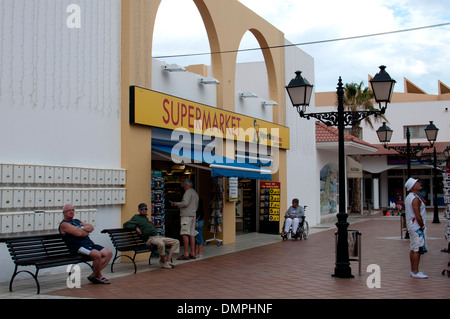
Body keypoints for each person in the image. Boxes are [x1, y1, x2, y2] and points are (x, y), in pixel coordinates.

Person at [59, 204, 113, 284]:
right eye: (68, 210)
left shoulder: (77, 221)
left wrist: (82, 229)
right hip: (78, 247)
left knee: (108, 253)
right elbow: (79, 234)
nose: (71, 212)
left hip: (89, 244)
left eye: (72, 210)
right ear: (64, 213)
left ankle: (93, 275)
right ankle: (99, 276)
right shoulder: (64, 224)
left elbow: (91, 227)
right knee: (97, 255)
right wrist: (84, 231)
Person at [123, 203, 180, 269]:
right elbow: (126, 224)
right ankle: (163, 262)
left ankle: (166, 261)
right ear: (139, 210)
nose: (144, 210)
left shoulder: (145, 218)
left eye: (145, 209)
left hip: (158, 237)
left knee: (176, 242)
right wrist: (136, 228)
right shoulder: (136, 217)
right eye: (142, 209)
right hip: (150, 239)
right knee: (161, 244)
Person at [404, 178, 428, 279]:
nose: (420, 184)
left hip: (412, 226)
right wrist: (422, 225)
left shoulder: (411, 197)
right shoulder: (415, 199)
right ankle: (415, 271)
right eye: (417, 183)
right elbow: (417, 214)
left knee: (413, 248)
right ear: (413, 186)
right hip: (416, 227)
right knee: (417, 249)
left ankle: (413, 270)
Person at [171, 179, 199, 260]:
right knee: (192, 234)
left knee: (184, 233)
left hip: (186, 215)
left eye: (184, 186)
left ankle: (186, 253)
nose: (183, 188)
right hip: (193, 214)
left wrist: (176, 204)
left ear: (187, 185)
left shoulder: (188, 192)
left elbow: (185, 203)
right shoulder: (195, 192)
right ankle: (193, 252)